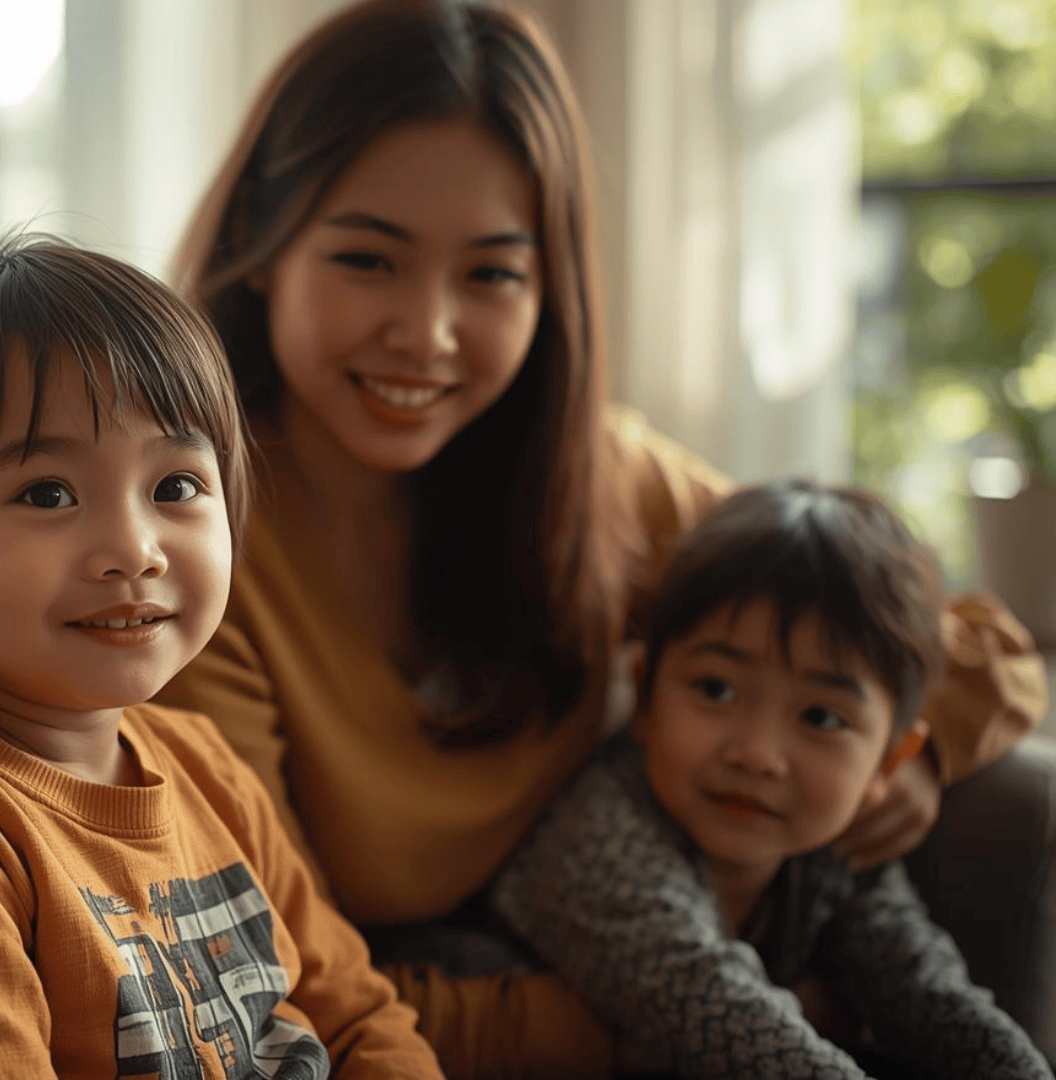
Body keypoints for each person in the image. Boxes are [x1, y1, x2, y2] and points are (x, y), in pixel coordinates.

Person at [153, 0, 1050, 1075]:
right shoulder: (183, 551)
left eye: (491, 274)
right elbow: (281, 978)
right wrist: (664, 1025)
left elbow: (976, 647)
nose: (427, 333)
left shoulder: (606, 485)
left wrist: (917, 750)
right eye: (368, 260)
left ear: (549, 286)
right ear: (263, 241)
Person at [0, 235, 446, 1080]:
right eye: (48, 493)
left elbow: (361, 1019)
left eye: (175, 487)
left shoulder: (208, 766)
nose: (134, 550)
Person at [489, 479, 1053, 1080]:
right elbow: (729, 1024)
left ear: (890, 762)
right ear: (646, 697)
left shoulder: (839, 848)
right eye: (716, 689)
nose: (757, 755)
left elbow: (928, 993)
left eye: (821, 717)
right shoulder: (600, 835)